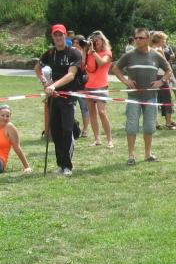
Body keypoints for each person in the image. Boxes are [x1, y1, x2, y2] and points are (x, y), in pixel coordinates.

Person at [112, 27, 173, 165]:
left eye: (140, 38)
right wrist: (125, 81)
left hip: (151, 96)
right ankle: (131, 156)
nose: (137, 40)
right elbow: (115, 68)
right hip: (134, 97)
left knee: (149, 126)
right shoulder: (129, 55)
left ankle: (148, 154)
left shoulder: (156, 55)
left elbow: (169, 70)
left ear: (148, 39)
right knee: (132, 126)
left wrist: (161, 81)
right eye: (136, 38)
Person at [35, 24, 82, 176]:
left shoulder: (74, 53)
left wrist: (53, 85)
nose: (58, 37)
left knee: (67, 130)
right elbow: (37, 68)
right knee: (55, 131)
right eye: (55, 35)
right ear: (52, 37)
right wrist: (45, 82)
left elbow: (71, 75)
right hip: (53, 98)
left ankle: (68, 165)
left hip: (68, 97)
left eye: (60, 34)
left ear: (65, 35)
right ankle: (61, 164)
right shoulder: (50, 53)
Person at [84, 30, 114, 147]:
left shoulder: (107, 53)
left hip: (101, 86)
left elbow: (101, 63)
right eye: (94, 40)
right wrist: (84, 50)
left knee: (102, 112)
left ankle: (109, 139)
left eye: (98, 40)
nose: (96, 42)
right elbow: (83, 65)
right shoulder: (89, 53)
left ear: (103, 41)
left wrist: (93, 52)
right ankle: (97, 139)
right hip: (88, 86)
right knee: (92, 112)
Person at [150, 32, 176, 131]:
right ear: (160, 40)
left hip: (152, 76)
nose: (165, 41)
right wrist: (171, 75)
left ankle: (154, 123)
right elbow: (166, 64)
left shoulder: (149, 49)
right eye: (164, 39)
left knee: (154, 99)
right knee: (167, 99)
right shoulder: (159, 50)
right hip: (161, 76)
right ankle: (168, 122)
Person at [0, 105, 32, 174]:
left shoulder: (9, 127)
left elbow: (17, 147)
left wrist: (27, 166)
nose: (5, 118)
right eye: (2, 115)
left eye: (7, 116)